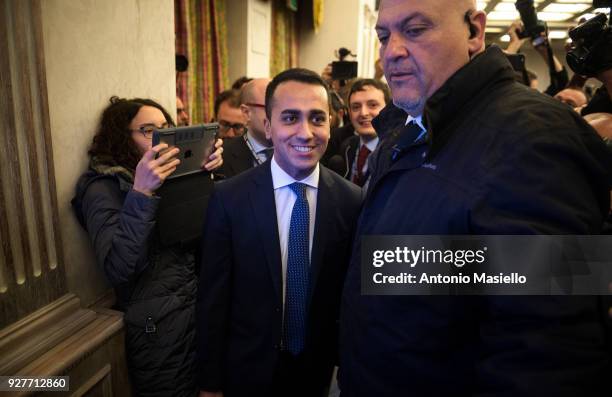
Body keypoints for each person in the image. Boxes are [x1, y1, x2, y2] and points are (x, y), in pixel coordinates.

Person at [339, 1, 612, 396]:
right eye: (384, 36)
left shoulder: (533, 138)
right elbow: (454, 266)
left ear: (474, 31)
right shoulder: (405, 128)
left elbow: (547, 354)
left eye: (415, 30)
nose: (391, 52)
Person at [197, 68, 361, 397]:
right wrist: (210, 384)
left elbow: (350, 296)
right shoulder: (229, 199)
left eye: (317, 118)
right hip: (246, 371)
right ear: (268, 127)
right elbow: (213, 302)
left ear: (330, 123)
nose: (305, 132)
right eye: (290, 118)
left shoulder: (351, 200)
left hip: (317, 374)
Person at [72, 96, 223, 397]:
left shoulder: (172, 177)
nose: (161, 139)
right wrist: (141, 192)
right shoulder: (103, 188)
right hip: (157, 330)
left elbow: (206, 238)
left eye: (166, 129)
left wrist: (206, 174)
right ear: (122, 139)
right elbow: (119, 267)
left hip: (196, 313)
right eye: (148, 130)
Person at [336, 78, 390, 186]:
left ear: (389, 109)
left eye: (373, 105)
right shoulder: (347, 147)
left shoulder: (398, 153)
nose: (363, 113)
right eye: (356, 107)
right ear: (349, 113)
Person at [216, 78, 273, 179]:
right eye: (269, 108)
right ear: (246, 113)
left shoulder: (296, 151)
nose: (277, 114)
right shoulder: (217, 159)